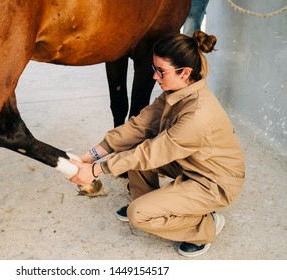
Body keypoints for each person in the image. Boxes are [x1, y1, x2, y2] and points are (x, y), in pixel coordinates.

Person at [69, 30, 245, 257]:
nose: (155, 77)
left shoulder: (197, 116)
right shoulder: (176, 91)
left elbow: (151, 154)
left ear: (185, 73)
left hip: (215, 181)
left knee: (138, 214)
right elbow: (139, 126)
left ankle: (204, 226)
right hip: (191, 164)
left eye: (161, 71)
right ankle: (147, 201)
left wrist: (95, 170)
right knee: (133, 147)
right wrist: (92, 154)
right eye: (155, 69)